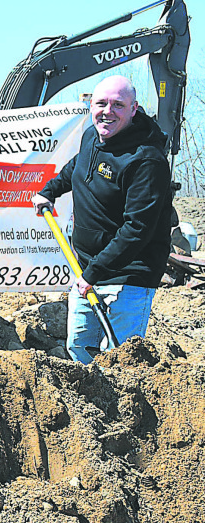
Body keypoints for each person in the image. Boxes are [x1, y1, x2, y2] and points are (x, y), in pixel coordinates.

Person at [32, 75, 172, 363]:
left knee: (118, 360)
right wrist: (51, 190)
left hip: (129, 275)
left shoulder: (146, 160)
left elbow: (137, 229)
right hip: (87, 269)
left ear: (134, 109)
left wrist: (93, 274)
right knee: (79, 348)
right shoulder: (92, 137)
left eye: (118, 105)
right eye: (101, 103)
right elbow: (78, 166)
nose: (107, 111)